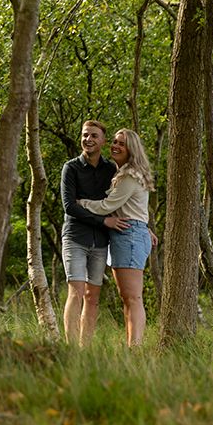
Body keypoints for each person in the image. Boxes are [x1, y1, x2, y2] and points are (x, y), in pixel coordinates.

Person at [78, 128, 156, 347]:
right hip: (129, 232)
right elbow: (131, 207)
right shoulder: (123, 173)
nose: (115, 146)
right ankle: (132, 346)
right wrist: (144, 227)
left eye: (122, 143)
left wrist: (80, 203)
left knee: (132, 298)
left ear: (132, 149)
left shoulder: (129, 175)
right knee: (128, 298)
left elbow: (107, 206)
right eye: (114, 141)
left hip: (129, 235)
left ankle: (135, 348)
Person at [60, 120, 129, 346]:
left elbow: (122, 202)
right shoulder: (71, 168)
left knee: (93, 297)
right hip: (75, 238)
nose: (88, 139)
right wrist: (103, 220)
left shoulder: (111, 169)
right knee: (76, 292)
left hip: (100, 242)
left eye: (93, 136)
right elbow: (70, 206)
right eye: (85, 135)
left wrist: (143, 226)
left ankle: (85, 349)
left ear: (102, 141)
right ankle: (70, 348)